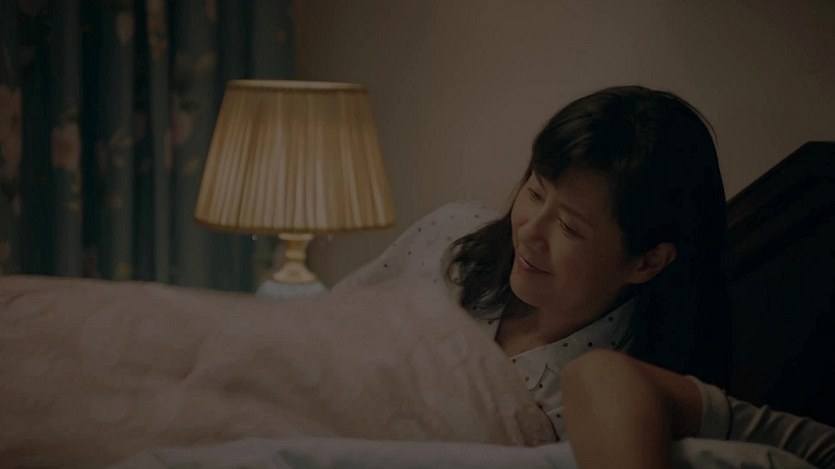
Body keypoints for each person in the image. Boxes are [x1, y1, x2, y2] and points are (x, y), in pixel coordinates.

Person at [444, 85, 835, 467]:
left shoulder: (611, 397)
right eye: (535, 193)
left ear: (647, 262)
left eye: (569, 227)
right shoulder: (449, 239)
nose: (530, 232)